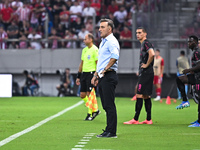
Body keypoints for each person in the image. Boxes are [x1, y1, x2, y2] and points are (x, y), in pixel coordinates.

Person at [91, 18, 120, 138]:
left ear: (110, 29)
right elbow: (101, 61)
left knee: (109, 105)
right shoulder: (103, 41)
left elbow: (115, 56)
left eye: (102, 27)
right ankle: (108, 129)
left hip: (109, 75)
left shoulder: (112, 41)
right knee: (106, 105)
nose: (99, 29)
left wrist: (105, 69)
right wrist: (96, 75)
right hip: (103, 76)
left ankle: (112, 132)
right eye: (99, 27)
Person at [124, 27, 155, 125]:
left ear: (145, 34)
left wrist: (146, 65)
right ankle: (148, 119)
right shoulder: (143, 44)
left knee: (139, 94)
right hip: (147, 72)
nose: (138, 34)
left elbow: (152, 54)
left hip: (146, 72)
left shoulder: (146, 43)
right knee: (146, 95)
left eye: (140, 33)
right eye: (137, 33)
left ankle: (135, 119)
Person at [176, 35, 200, 127]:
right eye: (188, 42)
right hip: (195, 76)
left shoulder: (197, 52)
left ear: (195, 42)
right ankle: (185, 100)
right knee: (179, 79)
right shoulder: (194, 52)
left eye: (190, 42)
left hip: (198, 78)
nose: (188, 43)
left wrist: (189, 70)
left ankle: (199, 122)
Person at [76, 33, 100, 121]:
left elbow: (98, 63)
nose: (84, 40)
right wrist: (78, 75)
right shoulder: (84, 50)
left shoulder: (95, 49)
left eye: (85, 39)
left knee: (90, 94)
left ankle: (90, 113)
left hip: (91, 73)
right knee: (82, 95)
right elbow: (82, 63)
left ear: (91, 40)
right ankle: (95, 110)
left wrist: (96, 76)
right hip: (84, 74)